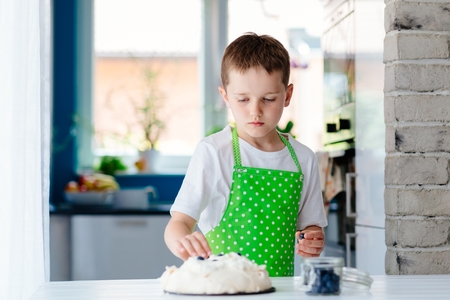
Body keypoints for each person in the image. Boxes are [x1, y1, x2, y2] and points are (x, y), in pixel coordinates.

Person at [164, 32, 327, 277]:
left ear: (288, 95)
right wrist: (184, 242)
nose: (255, 111)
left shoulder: (303, 159)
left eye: (269, 99)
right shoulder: (214, 152)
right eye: (243, 99)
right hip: (222, 290)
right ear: (226, 97)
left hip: (280, 293)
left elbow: (310, 225)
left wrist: (313, 238)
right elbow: (178, 224)